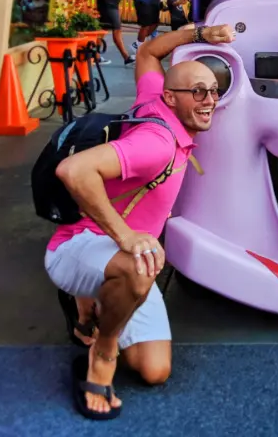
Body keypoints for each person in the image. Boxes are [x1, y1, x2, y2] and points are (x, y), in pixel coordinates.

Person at [44, 21, 236, 419]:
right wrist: (126, 235)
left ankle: (94, 306)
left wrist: (199, 35)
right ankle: (103, 351)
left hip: (119, 255)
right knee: (139, 264)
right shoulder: (157, 142)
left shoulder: (155, 100)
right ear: (172, 96)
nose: (209, 100)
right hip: (76, 247)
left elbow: (148, 52)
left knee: (154, 370)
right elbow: (73, 171)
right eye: (198, 91)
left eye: (214, 90)